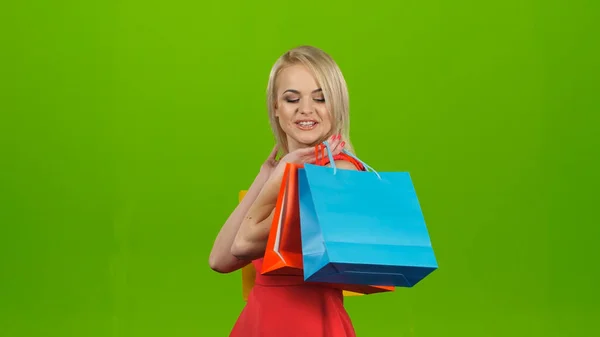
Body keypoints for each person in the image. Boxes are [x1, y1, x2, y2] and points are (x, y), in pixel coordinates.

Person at [209, 45, 364, 337]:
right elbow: (220, 260)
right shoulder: (279, 173)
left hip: (311, 325)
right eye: (292, 98)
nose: (306, 109)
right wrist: (265, 176)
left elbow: (242, 245)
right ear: (276, 109)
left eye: (321, 98)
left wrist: (277, 179)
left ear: (337, 106)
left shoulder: (340, 175)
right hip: (257, 322)